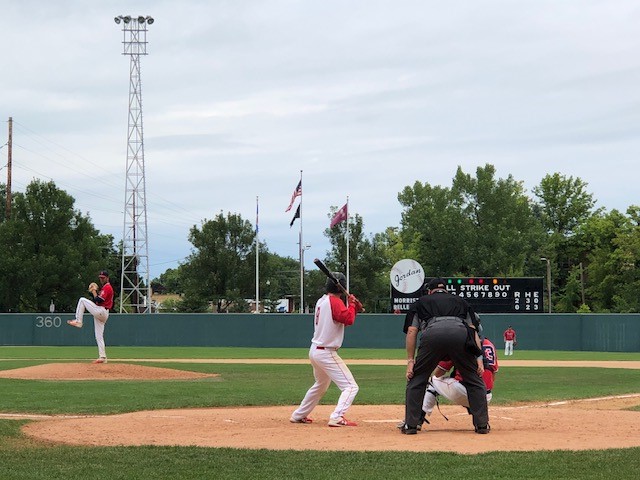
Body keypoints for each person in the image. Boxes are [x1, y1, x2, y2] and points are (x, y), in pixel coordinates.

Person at [401, 277, 489, 435]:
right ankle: (482, 425)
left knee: (417, 379)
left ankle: (411, 425)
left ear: (430, 291)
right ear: (446, 290)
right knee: (474, 380)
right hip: (460, 334)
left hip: (433, 333)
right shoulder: (461, 302)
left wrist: (410, 361)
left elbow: (412, 331)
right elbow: (472, 330)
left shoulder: (421, 302)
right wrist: (479, 359)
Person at [290, 272, 363, 427]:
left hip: (315, 350)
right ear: (341, 287)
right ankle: (337, 416)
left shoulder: (322, 300)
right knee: (350, 386)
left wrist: (353, 306)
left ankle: (299, 415)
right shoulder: (335, 302)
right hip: (326, 352)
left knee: (321, 384)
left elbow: (345, 316)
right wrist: (352, 305)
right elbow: (348, 319)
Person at [420, 336, 499, 425]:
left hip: (463, 392)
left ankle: (418, 419)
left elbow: (438, 373)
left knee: (433, 381)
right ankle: (481, 424)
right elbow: (493, 374)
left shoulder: (457, 344)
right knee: (476, 386)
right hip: (486, 396)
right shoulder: (489, 344)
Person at [67, 270, 114, 364]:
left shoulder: (107, 287)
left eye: (103, 278)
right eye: (100, 278)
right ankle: (103, 357)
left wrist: (94, 291)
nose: (101, 279)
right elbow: (97, 301)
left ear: (107, 278)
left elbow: (98, 300)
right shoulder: (105, 288)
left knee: (82, 300)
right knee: (99, 336)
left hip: (101, 311)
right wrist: (94, 292)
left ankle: (78, 321)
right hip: (102, 313)